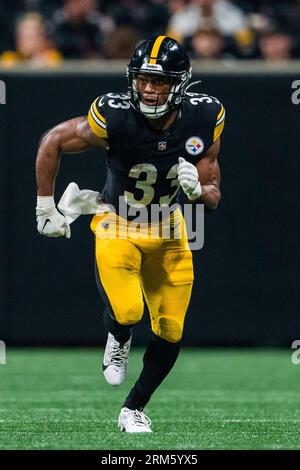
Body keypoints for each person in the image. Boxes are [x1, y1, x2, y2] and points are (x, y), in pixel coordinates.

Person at [35, 35, 225, 432]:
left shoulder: (204, 117)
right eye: (143, 80)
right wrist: (43, 206)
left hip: (170, 227)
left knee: (171, 330)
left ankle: (133, 408)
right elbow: (52, 140)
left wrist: (198, 191)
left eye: (160, 82)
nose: (150, 90)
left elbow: (213, 195)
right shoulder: (115, 115)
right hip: (117, 222)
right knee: (128, 311)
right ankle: (118, 337)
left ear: (181, 83)